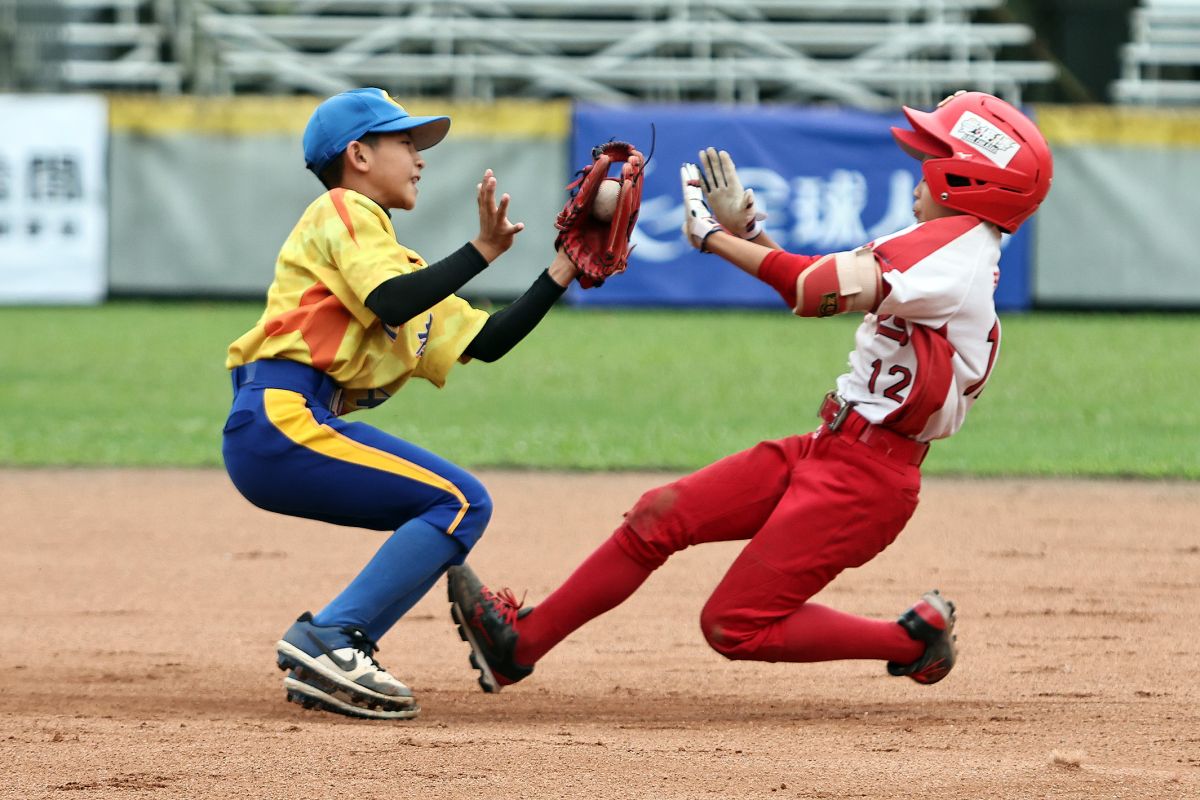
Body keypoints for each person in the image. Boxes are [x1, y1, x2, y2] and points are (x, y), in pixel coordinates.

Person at [445, 91, 1053, 694]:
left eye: (938, 153)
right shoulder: (952, 248)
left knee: (732, 625)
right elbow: (825, 285)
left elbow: (814, 291)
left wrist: (712, 237)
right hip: (830, 449)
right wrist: (749, 234)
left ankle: (910, 642)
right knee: (660, 516)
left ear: (968, 178)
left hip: (866, 482)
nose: (921, 165)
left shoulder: (954, 253)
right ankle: (517, 646)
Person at [221, 88, 583, 720]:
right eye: (406, 142)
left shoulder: (394, 260)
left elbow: (487, 341)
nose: (420, 157)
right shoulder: (341, 208)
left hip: (291, 425)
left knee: (451, 506)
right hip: (281, 415)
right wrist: (482, 251)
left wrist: (563, 267)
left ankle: (337, 640)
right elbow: (390, 301)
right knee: (458, 500)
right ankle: (334, 637)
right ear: (358, 155)